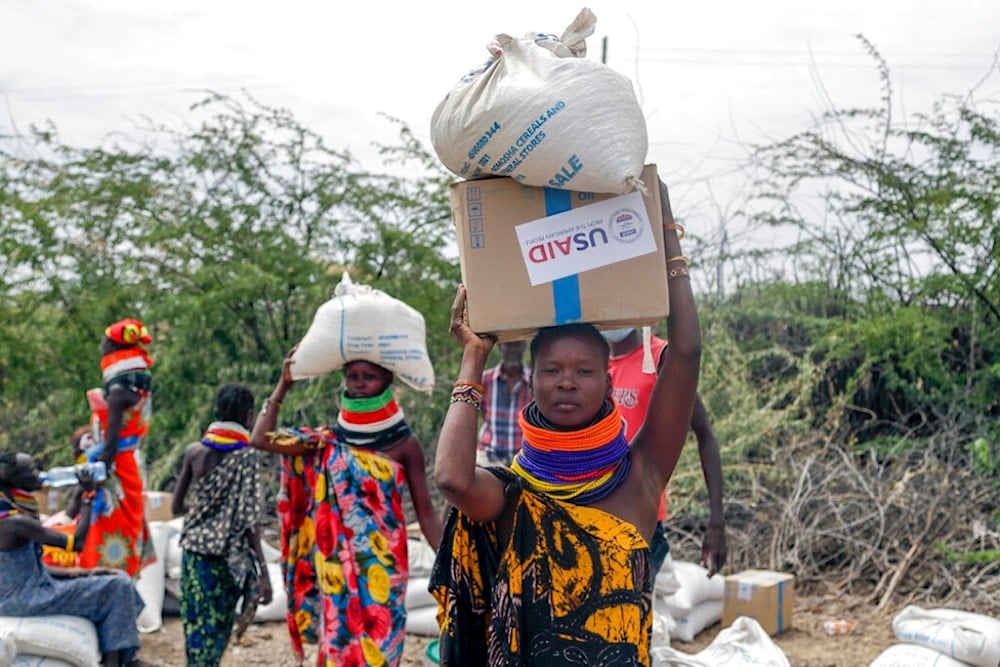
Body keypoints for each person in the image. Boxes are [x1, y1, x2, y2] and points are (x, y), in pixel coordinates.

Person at [431, 177, 699, 665]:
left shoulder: (641, 475)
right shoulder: (513, 494)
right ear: (532, 381)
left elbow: (686, 352)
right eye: (552, 370)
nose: (567, 382)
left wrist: (665, 234)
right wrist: (474, 356)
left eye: (584, 371)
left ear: (607, 379)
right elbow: (451, 479)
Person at [251, 353, 444, 666]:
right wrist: (283, 384)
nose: (358, 383)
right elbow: (262, 439)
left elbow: (426, 513)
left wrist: (450, 563)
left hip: (385, 565)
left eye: (368, 376)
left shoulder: (405, 444)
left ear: (387, 380)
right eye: (352, 375)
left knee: (382, 647)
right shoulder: (329, 440)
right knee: (340, 647)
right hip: (336, 566)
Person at [0, 450, 147, 667]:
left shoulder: (9, 514)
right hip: (28, 600)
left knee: (112, 578)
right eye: (31, 470)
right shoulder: (18, 522)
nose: (39, 474)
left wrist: (85, 573)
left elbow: (28, 569)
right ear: (16, 480)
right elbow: (75, 543)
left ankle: (124, 658)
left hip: (18, 595)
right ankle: (116, 661)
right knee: (118, 586)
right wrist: (88, 496)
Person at [601, 327, 727, 576]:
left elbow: (705, 434)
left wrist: (717, 522)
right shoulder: (592, 362)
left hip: (642, 520)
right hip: (595, 512)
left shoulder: (659, 358)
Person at [172, 383, 272, 667]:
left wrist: (205, 513)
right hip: (228, 560)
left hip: (193, 555)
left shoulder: (194, 452)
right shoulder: (248, 457)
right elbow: (251, 521)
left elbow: (176, 507)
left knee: (195, 627)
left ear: (216, 412)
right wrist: (263, 572)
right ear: (249, 416)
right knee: (217, 630)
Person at [80, 318, 154, 576]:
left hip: (117, 472)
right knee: (127, 529)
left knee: (110, 531)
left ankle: (109, 583)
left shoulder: (118, 392)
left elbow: (110, 442)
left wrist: (98, 475)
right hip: (130, 465)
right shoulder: (135, 390)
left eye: (105, 342)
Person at [476, 340, 531, 466]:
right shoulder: (485, 380)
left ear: (524, 346)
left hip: (521, 459)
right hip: (488, 456)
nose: (513, 350)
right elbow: (483, 413)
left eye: (517, 344)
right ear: (500, 346)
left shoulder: (533, 382)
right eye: (509, 345)